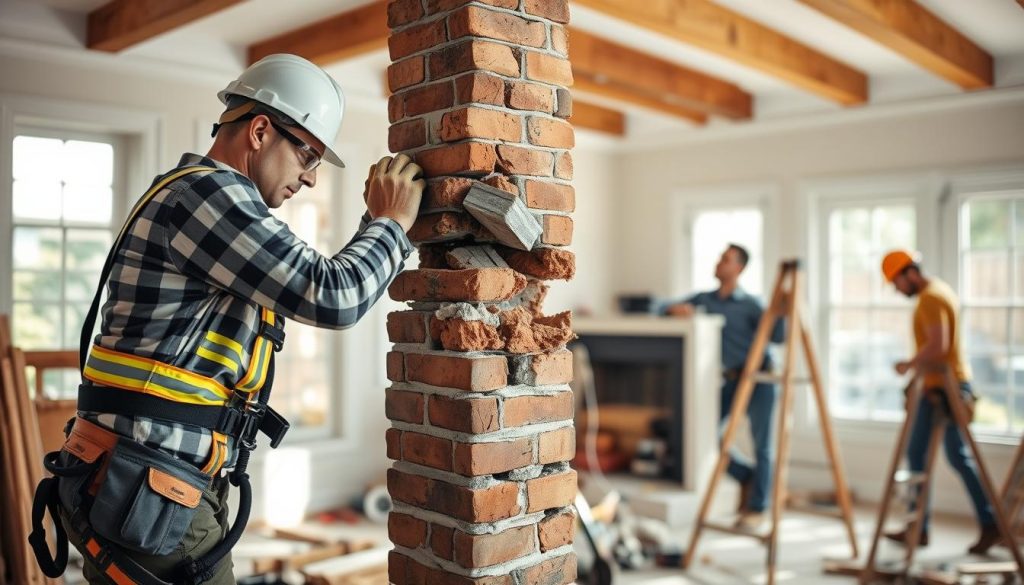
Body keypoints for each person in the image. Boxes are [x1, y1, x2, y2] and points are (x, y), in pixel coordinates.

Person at [30, 54, 424, 584]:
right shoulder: (208, 195)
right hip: (147, 482)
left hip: (152, 477)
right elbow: (334, 294)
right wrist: (392, 224)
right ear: (260, 130)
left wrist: (377, 225)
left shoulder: (205, 197)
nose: (310, 178)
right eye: (307, 155)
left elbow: (311, 282)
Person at [881, 250, 999, 554]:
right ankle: (919, 526)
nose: (897, 290)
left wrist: (908, 365)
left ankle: (988, 524)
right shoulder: (938, 291)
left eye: (896, 282)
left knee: (949, 456)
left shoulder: (931, 298)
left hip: (942, 387)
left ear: (909, 273)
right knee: (923, 456)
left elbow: (938, 346)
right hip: (937, 385)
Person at [663, 244, 784, 529]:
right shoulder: (705, 299)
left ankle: (758, 508)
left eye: (726, 259)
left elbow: (779, 336)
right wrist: (672, 310)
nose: (718, 262)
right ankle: (746, 475)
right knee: (705, 435)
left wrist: (782, 311)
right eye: (719, 257)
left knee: (762, 445)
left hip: (759, 380)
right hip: (731, 379)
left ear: (739, 268)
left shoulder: (752, 304)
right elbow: (664, 306)